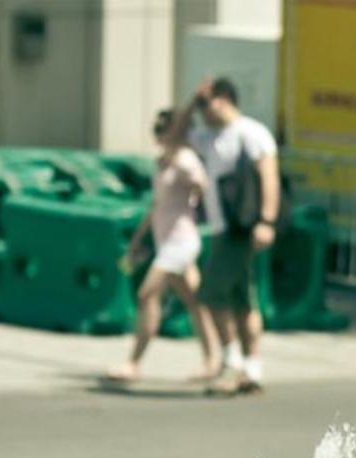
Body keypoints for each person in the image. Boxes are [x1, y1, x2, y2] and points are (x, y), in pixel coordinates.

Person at [177, 77, 280, 396]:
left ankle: (232, 361)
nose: (204, 111)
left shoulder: (251, 133)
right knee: (241, 300)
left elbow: (269, 176)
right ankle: (251, 368)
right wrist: (192, 104)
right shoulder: (209, 136)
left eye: (207, 103)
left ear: (223, 99)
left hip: (241, 226)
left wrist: (267, 219)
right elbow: (175, 136)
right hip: (223, 227)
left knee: (211, 293)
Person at [107, 107, 219, 384]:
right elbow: (157, 205)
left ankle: (134, 363)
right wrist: (138, 239)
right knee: (195, 301)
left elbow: (203, 186)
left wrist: (195, 196)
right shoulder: (163, 163)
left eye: (163, 132)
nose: (158, 137)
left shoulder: (185, 160)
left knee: (147, 295)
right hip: (164, 238)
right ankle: (214, 359)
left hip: (181, 241)